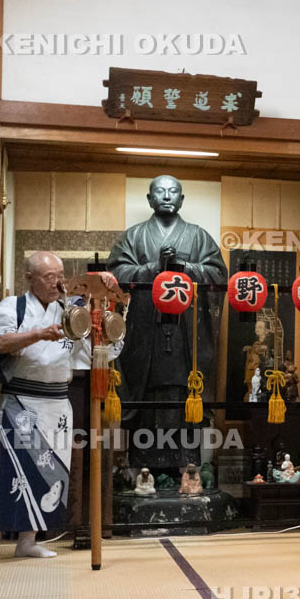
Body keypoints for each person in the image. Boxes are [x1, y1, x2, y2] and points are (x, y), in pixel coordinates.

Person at [0, 251, 121, 566]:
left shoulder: (70, 310)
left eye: (60, 274)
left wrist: (106, 292)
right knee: (7, 469)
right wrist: (40, 333)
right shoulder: (13, 307)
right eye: (49, 276)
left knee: (49, 470)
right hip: (21, 400)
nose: (58, 282)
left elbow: (100, 334)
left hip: (57, 401)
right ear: (30, 278)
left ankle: (29, 540)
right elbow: (2, 343)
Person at [107, 175, 227, 469]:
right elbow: (116, 275)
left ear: (182, 199)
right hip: (145, 332)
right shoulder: (133, 237)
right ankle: (144, 470)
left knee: (186, 391)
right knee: (147, 394)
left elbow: (218, 275)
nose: (166, 196)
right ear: (150, 199)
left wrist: (183, 267)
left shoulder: (198, 236)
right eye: (159, 192)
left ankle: (187, 470)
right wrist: (153, 268)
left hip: (187, 333)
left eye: (173, 192)